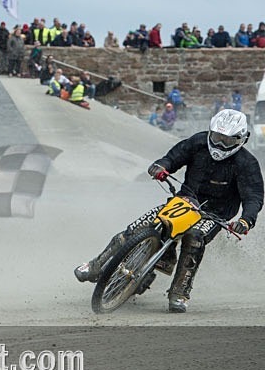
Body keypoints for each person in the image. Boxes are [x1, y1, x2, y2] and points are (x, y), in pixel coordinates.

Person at [74, 109, 263, 313]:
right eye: (217, 137)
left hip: (216, 213)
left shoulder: (247, 164)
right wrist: (160, 166)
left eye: (227, 141)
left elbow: (253, 197)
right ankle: (96, 265)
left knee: (194, 237)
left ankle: (179, 292)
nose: (220, 144)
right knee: (139, 226)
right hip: (185, 200)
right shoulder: (198, 142)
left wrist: (245, 220)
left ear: (241, 139)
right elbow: (173, 157)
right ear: (210, 133)